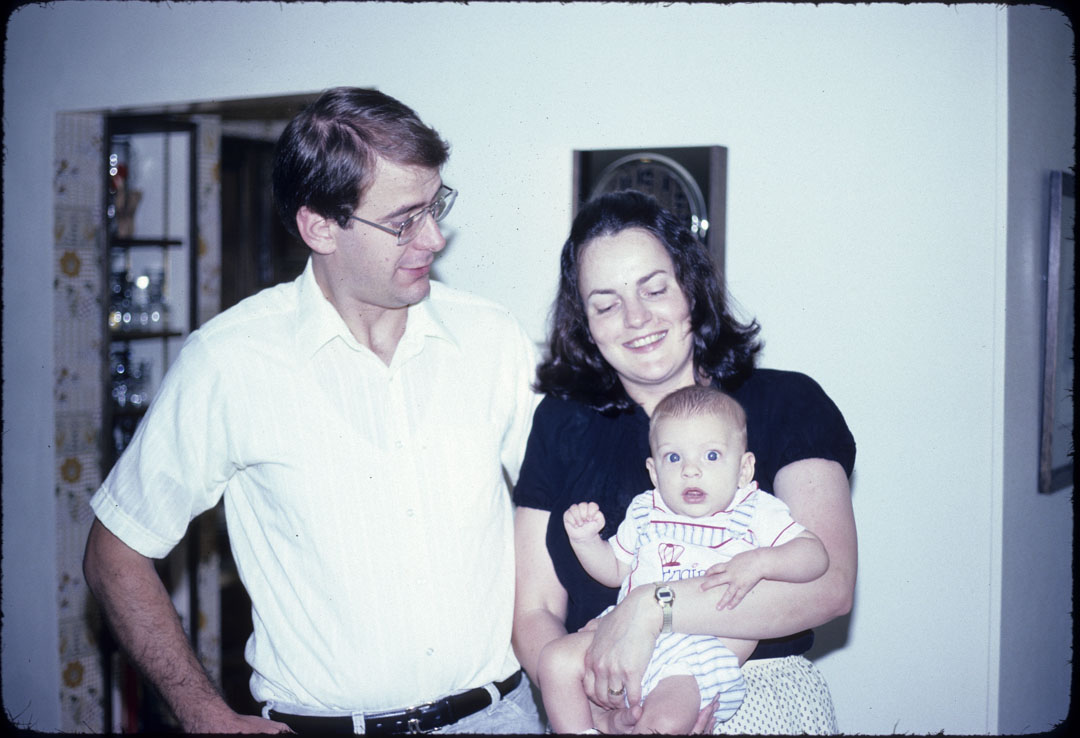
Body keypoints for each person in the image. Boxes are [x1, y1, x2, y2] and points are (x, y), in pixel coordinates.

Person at [83, 87, 544, 735]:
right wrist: (202, 714)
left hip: (502, 718)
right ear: (320, 227)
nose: (436, 238)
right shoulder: (230, 361)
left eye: (435, 205)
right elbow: (114, 553)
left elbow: (562, 511)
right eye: (404, 220)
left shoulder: (493, 338)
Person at [512, 189, 856, 734]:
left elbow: (828, 584)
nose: (636, 318)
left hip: (753, 700)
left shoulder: (788, 403)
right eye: (606, 304)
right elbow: (533, 612)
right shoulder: (560, 422)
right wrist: (596, 707)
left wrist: (652, 608)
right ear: (585, 323)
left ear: (691, 288)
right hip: (600, 702)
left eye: (654, 290)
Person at [538, 385, 830, 734]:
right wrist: (586, 541)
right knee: (554, 660)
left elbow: (815, 555)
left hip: (697, 652)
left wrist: (761, 562)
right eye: (674, 458)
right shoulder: (646, 511)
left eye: (711, 455)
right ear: (654, 471)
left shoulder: (754, 511)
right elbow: (615, 570)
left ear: (744, 469)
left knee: (665, 721)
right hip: (624, 636)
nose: (691, 470)